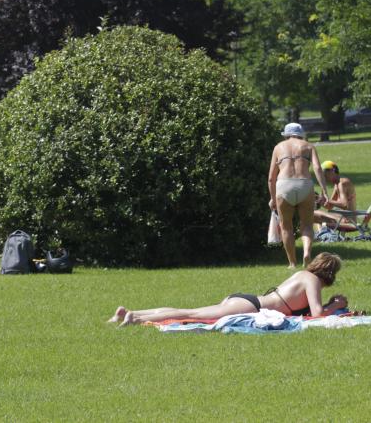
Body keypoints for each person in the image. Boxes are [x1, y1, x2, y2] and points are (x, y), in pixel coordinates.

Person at [109, 252, 347, 326]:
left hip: (247, 300)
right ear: (329, 273)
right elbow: (316, 315)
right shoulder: (312, 280)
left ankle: (131, 313)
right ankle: (135, 318)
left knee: (190, 312)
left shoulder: (302, 274)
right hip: (251, 305)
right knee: (190, 315)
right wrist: (335, 305)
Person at [268, 123, 329, 269]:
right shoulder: (308, 146)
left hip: (284, 185)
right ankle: (307, 253)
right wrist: (324, 191)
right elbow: (317, 168)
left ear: (286, 134)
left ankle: (292, 263)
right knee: (307, 225)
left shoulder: (278, 147)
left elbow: (271, 177)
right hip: (304, 184)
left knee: (286, 226)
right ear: (301, 134)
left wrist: (272, 197)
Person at [314, 160, 357, 227]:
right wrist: (319, 200)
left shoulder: (342, 183)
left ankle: (323, 235)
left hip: (347, 221)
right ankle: (321, 236)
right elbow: (329, 206)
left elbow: (344, 205)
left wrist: (326, 199)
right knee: (313, 214)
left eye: (325, 174)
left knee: (314, 214)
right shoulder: (337, 184)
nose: (324, 177)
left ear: (332, 171)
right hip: (342, 218)